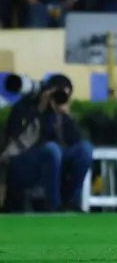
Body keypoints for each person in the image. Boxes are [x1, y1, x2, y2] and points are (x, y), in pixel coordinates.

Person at [0, 74, 93, 212]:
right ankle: (53, 206)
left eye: (64, 96)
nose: (60, 99)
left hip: (52, 161)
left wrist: (65, 117)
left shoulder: (59, 113)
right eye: (58, 94)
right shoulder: (24, 106)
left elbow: (75, 141)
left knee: (85, 149)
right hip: (21, 163)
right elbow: (16, 140)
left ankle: (71, 203)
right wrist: (40, 110)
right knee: (52, 149)